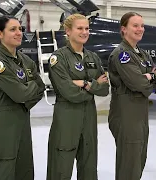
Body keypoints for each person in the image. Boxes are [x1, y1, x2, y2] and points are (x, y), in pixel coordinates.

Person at [0, 15, 45, 180]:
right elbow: (21, 94)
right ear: (0, 33)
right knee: (1, 172)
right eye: (13, 29)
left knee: (23, 170)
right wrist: (26, 90)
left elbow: (41, 87)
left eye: (20, 29)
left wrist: (24, 92)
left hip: (22, 121)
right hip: (2, 126)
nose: (19, 33)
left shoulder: (24, 60)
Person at [46, 14, 109, 180]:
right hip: (67, 118)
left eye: (87, 28)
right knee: (60, 168)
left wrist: (85, 83)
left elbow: (105, 89)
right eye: (80, 28)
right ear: (68, 31)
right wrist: (93, 86)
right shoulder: (58, 58)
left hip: (88, 118)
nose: (84, 32)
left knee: (89, 167)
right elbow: (69, 92)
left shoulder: (93, 57)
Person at [107, 12, 156, 180]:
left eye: (142, 25)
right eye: (135, 25)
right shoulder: (121, 54)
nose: (140, 29)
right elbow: (138, 84)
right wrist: (149, 78)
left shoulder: (142, 54)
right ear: (124, 29)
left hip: (140, 115)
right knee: (129, 167)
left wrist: (151, 77)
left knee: (139, 161)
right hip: (126, 115)